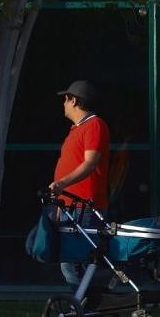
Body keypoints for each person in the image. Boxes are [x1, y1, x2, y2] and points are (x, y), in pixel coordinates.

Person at [49, 79, 110, 289]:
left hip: (85, 207)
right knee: (70, 263)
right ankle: (88, 308)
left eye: (65, 100)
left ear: (73, 100)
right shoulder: (76, 129)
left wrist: (62, 182)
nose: (63, 104)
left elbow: (90, 163)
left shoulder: (94, 125)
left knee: (75, 264)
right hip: (70, 206)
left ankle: (90, 306)